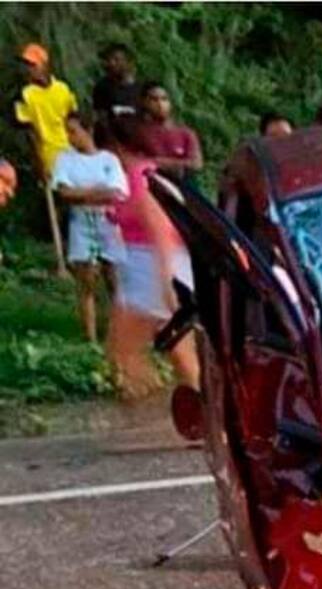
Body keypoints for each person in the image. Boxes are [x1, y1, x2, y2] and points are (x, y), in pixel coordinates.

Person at [105, 116, 199, 399]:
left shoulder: (139, 179)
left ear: (117, 146)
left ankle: (143, 404)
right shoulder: (151, 174)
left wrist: (167, 282)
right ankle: (203, 414)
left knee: (121, 351)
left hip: (152, 267)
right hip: (155, 265)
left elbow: (160, 229)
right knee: (180, 350)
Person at [50, 112, 128, 343]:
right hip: (81, 222)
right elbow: (64, 191)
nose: (70, 137)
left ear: (88, 130)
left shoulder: (108, 160)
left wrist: (82, 193)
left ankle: (119, 334)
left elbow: (116, 193)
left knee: (114, 279)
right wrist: (97, 193)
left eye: (74, 131)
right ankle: (90, 338)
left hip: (108, 221)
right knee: (87, 282)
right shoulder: (65, 159)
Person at [13, 43, 77, 182]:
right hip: (47, 157)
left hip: (70, 153)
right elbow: (30, 135)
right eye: (27, 66)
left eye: (33, 65)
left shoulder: (63, 89)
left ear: (44, 65)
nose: (29, 70)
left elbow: (73, 122)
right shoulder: (25, 95)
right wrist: (39, 164)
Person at [139, 81, 203, 183]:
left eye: (164, 99)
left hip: (183, 185)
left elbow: (196, 164)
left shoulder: (185, 133)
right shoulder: (139, 132)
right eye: (154, 99)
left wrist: (160, 162)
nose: (160, 104)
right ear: (144, 102)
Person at [91, 42, 140, 125]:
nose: (112, 63)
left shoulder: (140, 89)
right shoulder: (102, 88)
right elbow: (99, 117)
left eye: (116, 60)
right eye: (109, 60)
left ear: (128, 63)